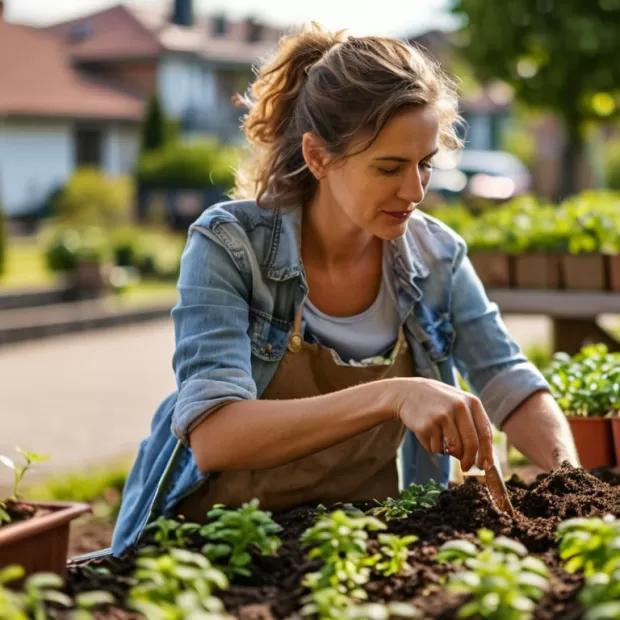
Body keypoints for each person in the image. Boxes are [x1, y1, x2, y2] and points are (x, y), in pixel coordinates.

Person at [109, 23, 578, 557]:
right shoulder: (230, 245)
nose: (415, 191)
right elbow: (217, 435)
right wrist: (394, 395)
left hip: (351, 547)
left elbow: (508, 381)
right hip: (211, 550)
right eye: (389, 167)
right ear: (318, 156)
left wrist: (571, 484)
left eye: (425, 164)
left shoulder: (437, 257)